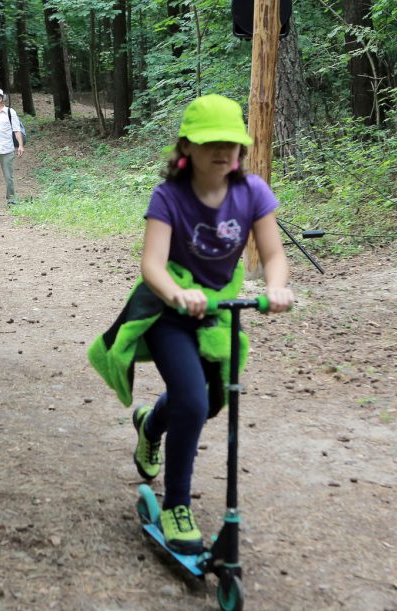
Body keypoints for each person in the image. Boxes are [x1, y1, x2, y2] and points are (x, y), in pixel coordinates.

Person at [87, 94, 294, 554]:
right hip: (167, 313)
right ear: (187, 147)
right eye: (211, 143)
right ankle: (176, 505)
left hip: (217, 312)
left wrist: (277, 286)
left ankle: (150, 425)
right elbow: (152, 264)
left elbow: (274, 253)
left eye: (232, 143)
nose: (223, 152)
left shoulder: (252, 192)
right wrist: (178, 293)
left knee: (207, 400)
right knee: (194, 403)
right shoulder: (169, 196)